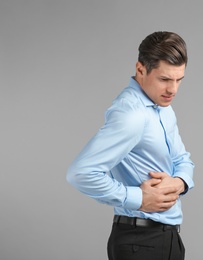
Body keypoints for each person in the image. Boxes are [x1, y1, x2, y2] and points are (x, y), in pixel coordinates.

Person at [67, 31, 195, 260]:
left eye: (179, 80)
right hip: (140, 242)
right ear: (140, 70)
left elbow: (181, 159)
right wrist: (138, 198)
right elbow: (81, 173)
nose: (173, 89)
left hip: (168, 238)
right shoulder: (131, 114)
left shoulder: (163, 107)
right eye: (165, 79)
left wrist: (180, 182)